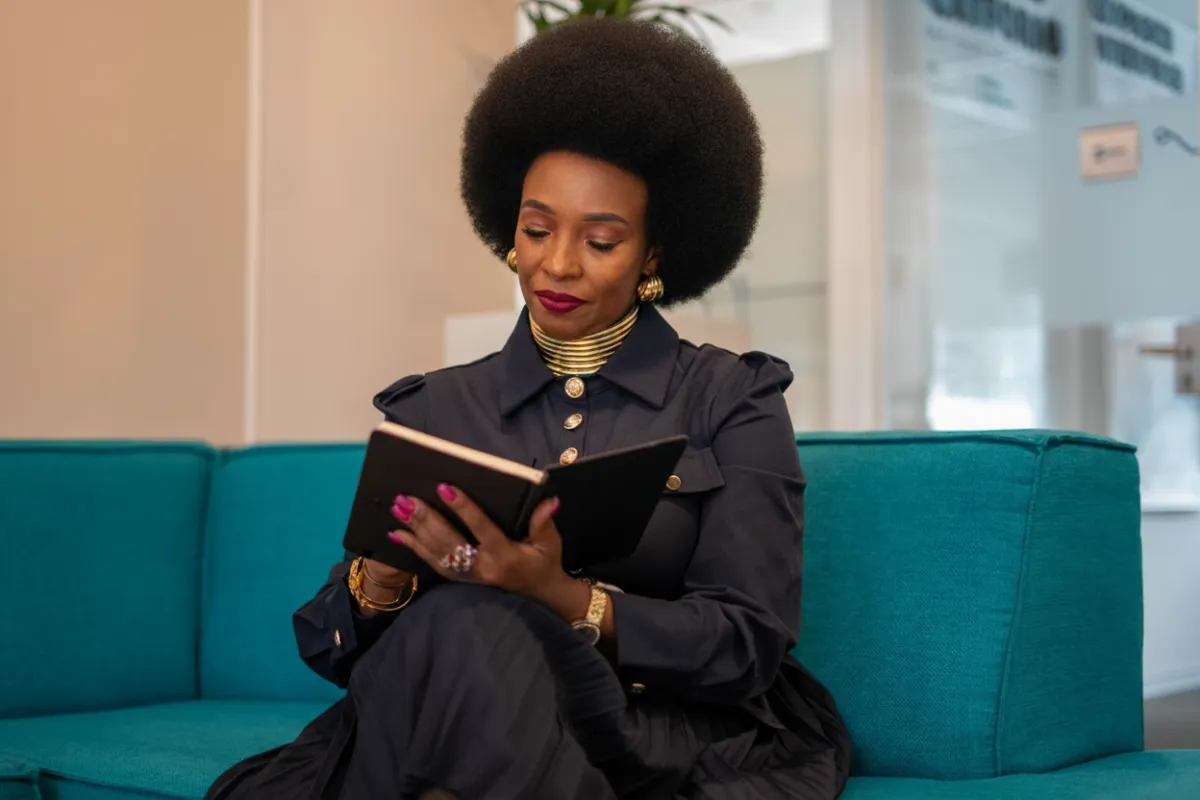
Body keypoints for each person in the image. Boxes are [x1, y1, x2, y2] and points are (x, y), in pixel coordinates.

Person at [206, 18, 850, 800]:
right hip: (443, 704)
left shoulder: (731, 398)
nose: (557, 264)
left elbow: (748, 644)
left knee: (471, 631)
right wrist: (383, 578)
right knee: (456, 630)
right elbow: (333, 646)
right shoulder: (433, 406)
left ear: (653, 253)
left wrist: (561, 596)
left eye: (600, 241)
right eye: (537, 229)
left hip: (641, 727)